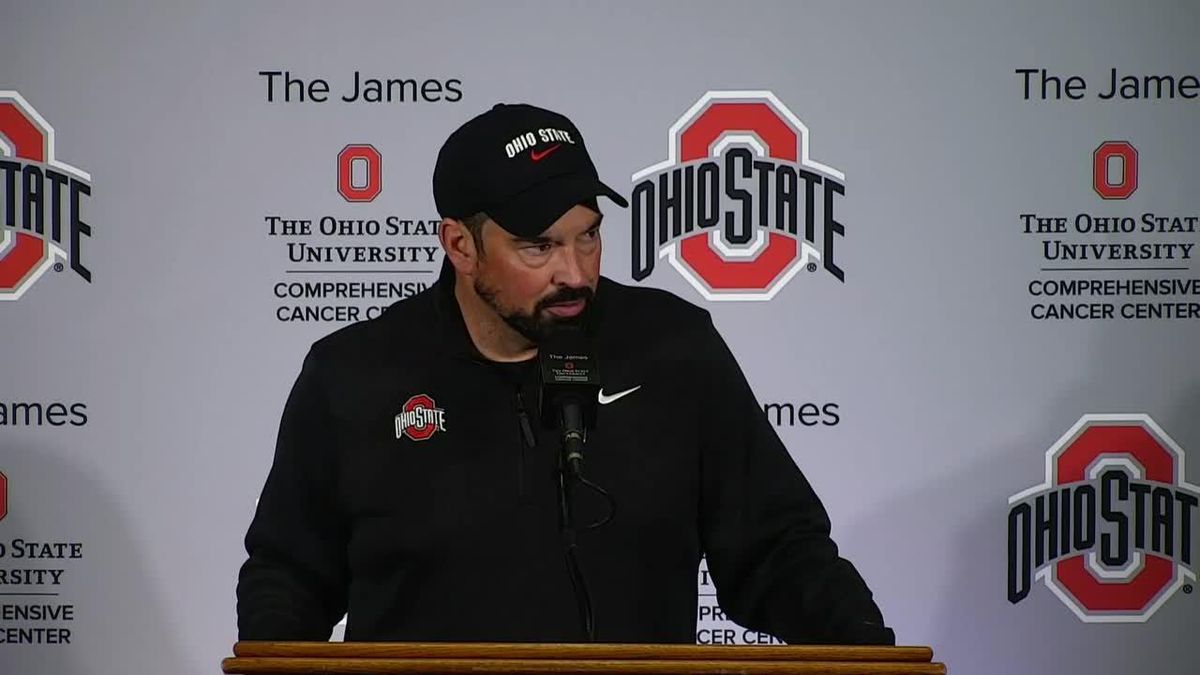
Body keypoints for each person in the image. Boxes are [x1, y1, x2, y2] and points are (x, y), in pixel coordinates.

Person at [236, 103, 894, 645]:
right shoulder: (353, 375)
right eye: (538, 246)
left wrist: (869, 649)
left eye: (587, 235)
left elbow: (778, 550)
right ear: (460, 245)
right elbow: (289, 576)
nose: (576, 272)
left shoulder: (673, 349)